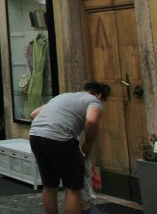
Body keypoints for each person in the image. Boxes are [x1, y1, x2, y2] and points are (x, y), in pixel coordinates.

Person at [29, 81, 107, 214]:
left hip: (36, 135)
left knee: (49, 185)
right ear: (99, 96)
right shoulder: (94, 101)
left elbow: (34, 114)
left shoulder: (63, 96)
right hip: (60, 139)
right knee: (72, 188)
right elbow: (91, 120)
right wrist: (88, 144)